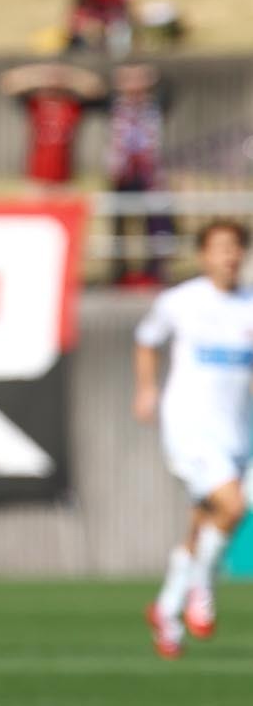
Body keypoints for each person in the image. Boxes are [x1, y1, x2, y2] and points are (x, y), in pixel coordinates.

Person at [134, 220, 253, 659]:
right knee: (232, 506)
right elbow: (146, 340)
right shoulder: (180, 301)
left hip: (235, 429)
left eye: (236, 247)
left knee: (203, 523)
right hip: (190, 427)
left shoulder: (249, 305)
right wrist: (146, 388)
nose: (230, 255)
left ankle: (166, 611)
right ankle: (202, 589)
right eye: (221, 247)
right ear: (204, 254)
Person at [106, 63, 174, 288]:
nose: (134, 85)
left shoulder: (155, 105)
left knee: (155, 222)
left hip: (149, 172)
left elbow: (170, 87)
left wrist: (148, 76)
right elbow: (92, 91)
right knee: (119, 222)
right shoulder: (114, 105)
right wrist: (120, 78)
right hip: (122, 172)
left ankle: (154, 271)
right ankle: (119, 271)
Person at [0, 62, 105, 195]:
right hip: (36, 177)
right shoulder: (35, 104)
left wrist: (67, 76)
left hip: (65, 178)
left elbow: (96, 87)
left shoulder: (73, 105)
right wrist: (41, 75)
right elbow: (8, 82)